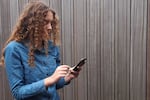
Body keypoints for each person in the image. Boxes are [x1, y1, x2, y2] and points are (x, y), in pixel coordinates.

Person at [0, 1, 81, 100]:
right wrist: (50, 79)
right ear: (32, 24)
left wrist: (67, 78)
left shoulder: (51, 47)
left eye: (51, 23)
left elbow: (53, 85)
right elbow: (18, 93)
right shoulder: (14, 49)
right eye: (45, 22)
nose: (50, 27)